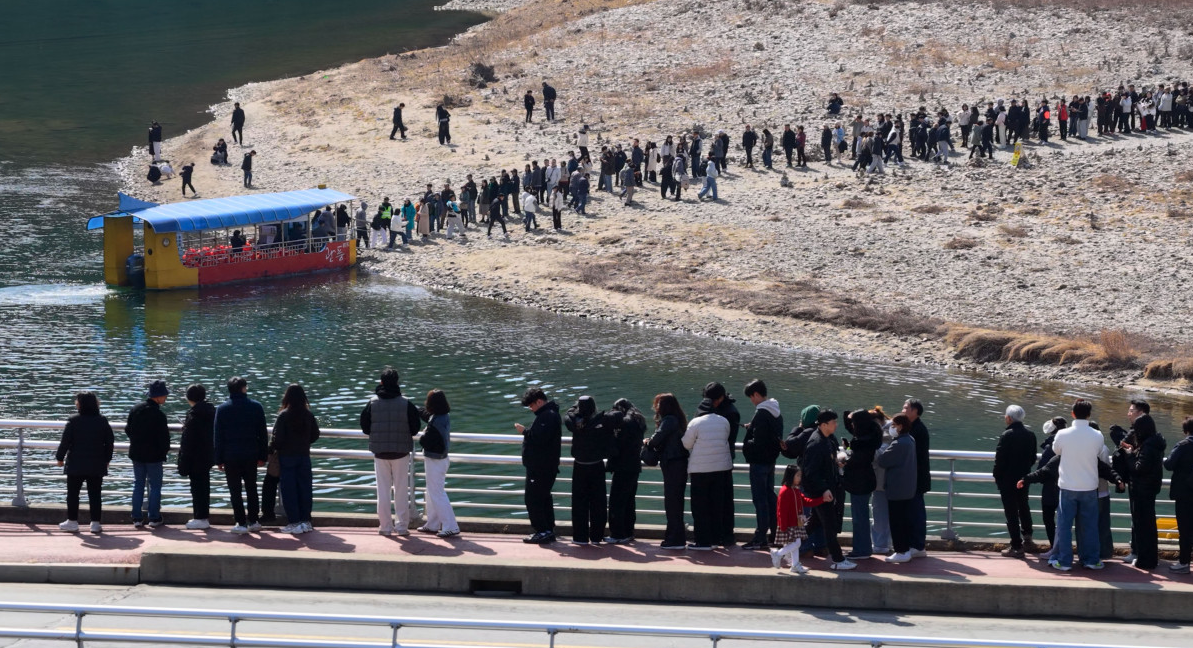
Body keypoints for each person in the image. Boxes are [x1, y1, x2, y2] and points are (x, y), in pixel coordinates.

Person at [360, 368, 422, 536]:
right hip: (401, 453)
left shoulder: (372, 403)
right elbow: (415, 428)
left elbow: (365, 427)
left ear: (381, 383)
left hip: (380, 453)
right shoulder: (406, 403)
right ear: (397, 382)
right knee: (401, 490)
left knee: (383, 491)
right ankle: (402, 527)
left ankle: (385, 527)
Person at [1050, 399, 1106, 571]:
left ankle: (1064, 561)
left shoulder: (1062, 434)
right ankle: (1091, 560)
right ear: (1089, 415)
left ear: (1073, 413)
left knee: (1064, 526)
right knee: (1089, 526)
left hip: (1068, 486)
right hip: (1089, 487)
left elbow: (1056, 451)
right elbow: (1098, 452)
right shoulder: (1097, 435)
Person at [1114, 399, 1166, 570]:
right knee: (1147, 525)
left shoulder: (1148, 446)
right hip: (1147, 488)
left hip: (1143, 489)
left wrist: (1130, 455)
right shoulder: (1154, 442)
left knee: (1144, 526)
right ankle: (1145, 557)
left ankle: (1146, 560)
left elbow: (1139, 468)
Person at [213, 376, 268, 534]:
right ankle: (254, 520)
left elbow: (218, 436)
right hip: (251, 455)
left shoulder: (222, 409)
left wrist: (218, 459)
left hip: (230, 456)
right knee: (252, 488)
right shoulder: (256, 407)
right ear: (244, 388)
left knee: (235, 490)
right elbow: (262, 434)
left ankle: (240, 522)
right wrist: (262, 456)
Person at [802, 410, 855, 570]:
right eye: (833, 422)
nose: (836, 425)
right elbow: (810, 472)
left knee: (813, 523)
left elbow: (826, 464)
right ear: (824, 425)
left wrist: (838, 463)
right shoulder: (816, 443)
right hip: (821, 493)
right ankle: (838, 560)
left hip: (827, 490)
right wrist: (824, 489)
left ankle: (786, 547)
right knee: (829, 525)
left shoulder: (828, 440)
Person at [55, 391, 114, 534]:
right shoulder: (102, 420)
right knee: (95, 494)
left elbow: (65, 442)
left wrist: (60, 457)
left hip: (76, 463)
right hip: (96, 463)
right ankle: (95, 523)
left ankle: (72, 521)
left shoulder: (73, 420)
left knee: (73, 494)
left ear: (80, 405)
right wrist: (107, 459)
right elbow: (110, 442)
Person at [682, 393, 732, 551]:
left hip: (700, 471)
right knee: (716, 506)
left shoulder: (695, 422)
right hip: (721, 469)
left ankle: (702, 542)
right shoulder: (724, 421)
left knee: (700, 507)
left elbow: (686, 444)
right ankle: (715, 539)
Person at [270, 384, 320, 534]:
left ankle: (294, 522)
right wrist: (305, 443)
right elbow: (315, 434)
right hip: (304, 456)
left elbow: (277, 439)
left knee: (289, 490)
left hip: (287, 457)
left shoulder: (284, 415)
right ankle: (306, 521)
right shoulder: (308, 414)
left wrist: (271, 448)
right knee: (305, 488)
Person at [516, 387, 561, 544]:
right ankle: (548, 529)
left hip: (540, 467)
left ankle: (542, 531)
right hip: (544, 466)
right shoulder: (549, 414)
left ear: (539, 401)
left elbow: (540, 439)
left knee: (533, 499)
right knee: (544, 498)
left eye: (531, 405)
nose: (531, 409)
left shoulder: (547, 416)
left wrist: (524, 432)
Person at [566, 396, 613, 544]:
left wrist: (576, 408)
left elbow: (568, 413)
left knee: (579, 503)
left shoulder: (573, 422)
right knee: (598, 503)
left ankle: (580, 537)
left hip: (580, 465)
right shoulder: (601, 421)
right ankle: (597, 536)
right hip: (597, 465)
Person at [741, 379, 781, 550]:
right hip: (771, 461)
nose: (752, 401)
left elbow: (757, 442)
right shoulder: (776, 411)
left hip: (759, 463)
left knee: (760, 500)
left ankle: (760, 538)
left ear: (756, 394)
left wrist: (748, 439)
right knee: (770, 498)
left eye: (751, 397)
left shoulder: (762, 412)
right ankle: (775, 534)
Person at [993, 405, 1037, 558]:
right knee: (1024, 506)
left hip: (1007, 480)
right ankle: (1028, 538)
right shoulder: (1030, 435)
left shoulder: (1007, 435)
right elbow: (1032, 458)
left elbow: (1000, 460)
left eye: (1006, 416)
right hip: (1024, 478)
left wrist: (997, 477)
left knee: (1011, 512)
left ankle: (1016, 546)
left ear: (1009, 418)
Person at [126, 380, 170, 529]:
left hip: (137, 454)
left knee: (138, 484)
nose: (165, 398)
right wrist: (164, 452)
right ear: (157, 397)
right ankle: (154, 517)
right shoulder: (159, 414)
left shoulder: (136, 409)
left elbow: (128, 429)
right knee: (155, 486)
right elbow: (164, 438)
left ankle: (137, 517)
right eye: (164, 395)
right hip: (154, 456)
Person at [417, 389, 459, 537]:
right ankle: (433, 523)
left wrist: (423, 433)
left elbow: (425, 441)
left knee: (437, 493)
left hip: (435, 460)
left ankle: (451, 526)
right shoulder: (443, 416)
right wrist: (416, 409)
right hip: (441, 459)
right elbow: (428, 416)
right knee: (432, 492)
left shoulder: (435, 422)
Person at [649, 393, 689, 549]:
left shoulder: (669, 420)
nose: (656, 407)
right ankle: (675, 536)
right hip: (678, 463)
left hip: (673, 464)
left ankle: (675, 539)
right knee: (676, 502)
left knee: (672, 502)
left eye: (658, 404)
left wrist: (648, 441)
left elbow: (656, 440)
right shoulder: (677, 420)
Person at [877, 414, 917, 563]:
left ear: (900, 426)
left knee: (896, 521)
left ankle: (901, 551)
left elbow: (883, 461)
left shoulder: (899, 444)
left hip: (897, 489)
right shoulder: (910, 440)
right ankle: (904, 549)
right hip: (906, 488)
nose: (891, 428)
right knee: (903, 520)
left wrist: (880, 449)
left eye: (893, 425)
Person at [842, 409, 881, 560]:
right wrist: (848, 449)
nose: (852, 425)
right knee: (861, 517)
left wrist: (844, 459)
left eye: (854, 422)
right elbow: (854, 454)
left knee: (859, 519)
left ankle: (862, 550)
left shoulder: (862, 442)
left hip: (859, 483)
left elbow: (854, 461)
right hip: (864, 482)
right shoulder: (868, 437)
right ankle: (862, 548)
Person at [605, 398, 646, 544]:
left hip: (622, 467)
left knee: (617, 502)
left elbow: (617, 446)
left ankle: (617, 534)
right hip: (634, 466)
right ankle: (628, 532)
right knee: (629, 501)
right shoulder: (638, 420)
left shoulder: (625, 423)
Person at [769, 465, 823, 573]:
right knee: (796, 544)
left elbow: (806, 501)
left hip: (795, 523)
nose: (800, 478)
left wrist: (821, 500)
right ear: (791, 476)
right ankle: (778, 554)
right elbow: (781, 510)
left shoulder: (795, 490)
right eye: (798, 475)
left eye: (800, 476)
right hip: (789, 524)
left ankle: (794, 564)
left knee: (794, 545)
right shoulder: (785, 491)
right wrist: (783, 525)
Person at [177, 384, 215, 530]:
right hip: (207, 455)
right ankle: (203, 516)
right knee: (204, 486)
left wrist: (183, 461)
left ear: (189, 398)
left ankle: (200, 517)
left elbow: (188, 441)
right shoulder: (212, 412)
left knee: (197, 488)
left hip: (195, 457)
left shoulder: (193, 415)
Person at [1164, 417, 1193, 573]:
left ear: (1185, 431)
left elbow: (1169, 464)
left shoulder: (1183, 446)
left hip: (1185, 494)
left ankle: (1183, 563)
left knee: (1185, 530)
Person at [903, 399, 930, 556]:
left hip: (916, 478)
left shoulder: (918, 430)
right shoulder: (913, 427)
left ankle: (918, 545)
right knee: (912, 511)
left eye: (906, 407)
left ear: (915, 411)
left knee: (916, 512)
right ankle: (914, 544)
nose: (903, 409)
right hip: (913, 478)